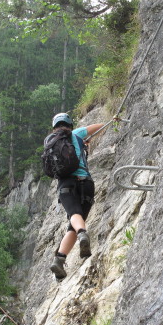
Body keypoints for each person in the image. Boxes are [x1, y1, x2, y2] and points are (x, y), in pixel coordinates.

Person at [49, 112, 107, 280]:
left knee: (74, 216)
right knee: (75, 222)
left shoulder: (51, 141)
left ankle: (82, 234)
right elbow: (99, 127)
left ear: (55, 126)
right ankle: (59, 259)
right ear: (70, 124)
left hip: (66, 184)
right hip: (86, 183)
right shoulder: (76, 134)